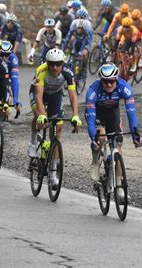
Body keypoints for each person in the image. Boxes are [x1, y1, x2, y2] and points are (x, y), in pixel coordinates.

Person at [85, 63, 142, 199]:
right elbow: (91, 119)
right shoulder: (93, 91)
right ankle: (95, 161)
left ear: (116, 79)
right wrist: (93, 138)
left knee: (119, 149)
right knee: (101, 138)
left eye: (112, 81)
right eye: (105, 82)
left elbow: (131, 113)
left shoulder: (125, 88)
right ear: (101, 80)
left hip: (112, 114)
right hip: (97, 114)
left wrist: (135, 133)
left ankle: (119, 187)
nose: (109, 85)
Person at [27, 48, 82, 188]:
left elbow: (72, 95)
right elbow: (39, 96)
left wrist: (75, 115)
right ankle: (33, 143)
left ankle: (53, 174)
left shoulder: (68, 73)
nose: (55, 67)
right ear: (47, 63)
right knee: (38, 116)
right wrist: (42, 115)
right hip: (39, 93)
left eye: (58, 64)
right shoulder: (41, 70)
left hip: (55, 95)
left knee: (58, 129)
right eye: (51, 64)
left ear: (62, 63)